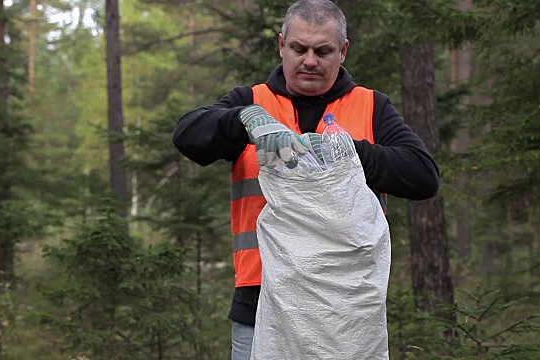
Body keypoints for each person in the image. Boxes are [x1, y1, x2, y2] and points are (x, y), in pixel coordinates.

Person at [172, 0, 440, 358]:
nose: (310, 60)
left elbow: (423, 176)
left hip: (346, 310)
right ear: (281, 44)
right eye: (299, 48)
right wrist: (243, 119)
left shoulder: (370, 106)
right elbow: (187, 135)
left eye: (323, 50)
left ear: (343, 51)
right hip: (261, 300)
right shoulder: (253, 100)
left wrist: (348, 152)